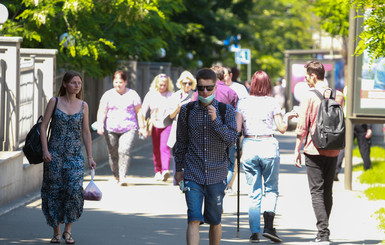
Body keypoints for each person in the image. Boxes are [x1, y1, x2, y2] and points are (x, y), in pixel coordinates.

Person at [174, 68, 237, 245]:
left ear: (215, 87)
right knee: (193, 219)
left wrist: (216, 120)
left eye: (208, 88)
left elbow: (231, 140)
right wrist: (179, 169)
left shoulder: (226, 111)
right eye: (200, 88)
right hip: (193, 173)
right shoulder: (187, 110)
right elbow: (181, 142)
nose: (204, 92)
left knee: (215, 221)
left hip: (217, 174)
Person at [236, 71, 297, 243]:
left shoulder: (243, 103)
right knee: (271, 189)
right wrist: (287, 116)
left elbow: (237, 129)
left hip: (249, 145)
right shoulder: (272, 102)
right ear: (268, 84)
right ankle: (269, 227)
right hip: (268, 145)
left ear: (253, 84)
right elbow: (282, 128)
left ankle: (254, 232)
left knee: (254, 192)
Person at [40, 70, 96, 244]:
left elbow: (86, 132)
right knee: (54, 192)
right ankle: (56, 231)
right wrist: (45, 150)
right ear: (64, 84)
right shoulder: (54, 102)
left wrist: (90, 157)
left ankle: (68, 231)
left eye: (79, 83)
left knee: (73, 192)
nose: (77, 86)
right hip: (54, 155)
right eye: (73, 82)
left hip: (74, 156)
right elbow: (43, 127)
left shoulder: (83, 105)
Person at [293, 61, 344, 244]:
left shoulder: (309, 96)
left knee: (316, 192)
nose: (306, 79)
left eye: (307, 76)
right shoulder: (338, 95)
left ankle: (323, 234)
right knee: (327, 191)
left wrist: (296, 150)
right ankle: (323, 231)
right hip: (333, 148)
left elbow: (302, 126)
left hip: (313, 149)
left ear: (314, 76)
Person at [95, 70, 146, 186]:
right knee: (113, 153)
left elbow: (139, 112)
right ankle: (116, 175)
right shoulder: (108, 95)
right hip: (111, 128)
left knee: (124, 150)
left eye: (121, 82)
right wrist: (100, 124)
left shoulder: (132, 94)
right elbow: (102, 111)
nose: (118, 84)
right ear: (113, 82)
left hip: (129, 128)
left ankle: (123, 176)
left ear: (126, 82)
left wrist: (142, 127)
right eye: (116, 82)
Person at [142, 73, 174, 181]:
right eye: (160, 85)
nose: (162, 87)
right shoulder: (151, 94)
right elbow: (143, 110)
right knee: (156, 149)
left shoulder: (171, 95)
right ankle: (158, 171)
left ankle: (165, 170)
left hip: (167, 124)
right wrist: (142, 126)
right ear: (156, 84)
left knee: (164, 147)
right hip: (154, 125)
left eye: (164, 85)